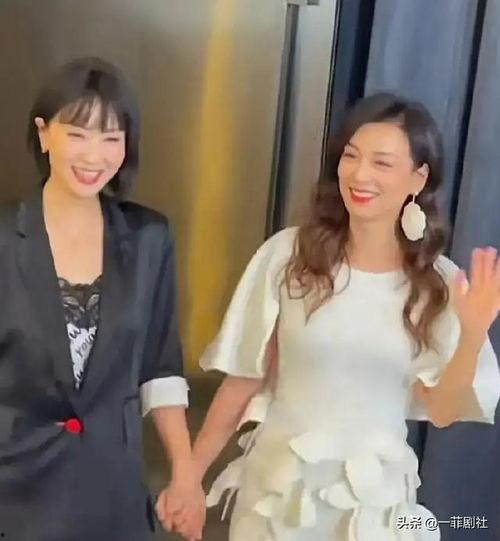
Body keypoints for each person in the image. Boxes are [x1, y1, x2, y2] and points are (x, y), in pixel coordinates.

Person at [190, 94, 500, 540]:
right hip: (278, 495)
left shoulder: (439, 284)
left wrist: (471, 335)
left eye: (382, 163)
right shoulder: (289, 254)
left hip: (374, 505)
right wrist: (190, 475)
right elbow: (243, 378)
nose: (360, 174)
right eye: (351, 156)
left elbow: (443, 411)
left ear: (418, 177)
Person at [0, 57, 204, 541]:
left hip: (112, 489)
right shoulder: (5, 238)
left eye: (111, 138)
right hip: (14, 490)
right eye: (77, 134)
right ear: (43, 134)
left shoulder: (150, 237)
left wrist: (186, 474)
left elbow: (160, 366)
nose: (94, 156)